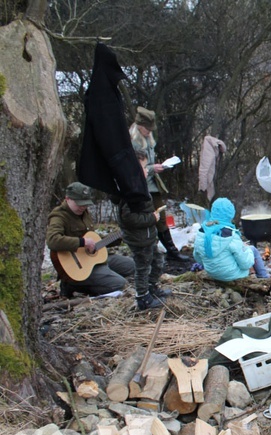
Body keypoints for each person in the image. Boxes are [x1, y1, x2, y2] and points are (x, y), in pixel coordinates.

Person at [46, 182, 135, 298]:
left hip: (96, 260)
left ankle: (103, 277)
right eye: (79, 204)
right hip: (78, 267)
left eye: (85, 204)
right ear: (67, 199)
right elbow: (52, 240)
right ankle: (73, 285)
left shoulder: (84, 213)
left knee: (132, 266)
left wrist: (118, 238)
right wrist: (82, 242)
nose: (83, 207)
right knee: (119, 284)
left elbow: (94, 241)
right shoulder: (59, 216)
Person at [130, 106, 189, 262]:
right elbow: (133, 169)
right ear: (139, 126)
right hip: (139, 187)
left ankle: (171, 251)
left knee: (161, 217)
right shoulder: (132, 142)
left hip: (152, 185)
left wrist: (157, 167)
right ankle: (146, 253)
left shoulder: (148, 140)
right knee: (147, 219)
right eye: (147, 128)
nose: (149, 131)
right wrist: (152, 169)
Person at [116, 150, 171, 310]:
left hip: (148, 236)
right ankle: (143, 298)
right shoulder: (130, 192)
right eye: (144, 168)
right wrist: (151, 219)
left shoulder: (140, 186)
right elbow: (129, 218)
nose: (147, 171)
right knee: (142, 267)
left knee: (157, 260)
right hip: (139, 238)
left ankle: (152, 288)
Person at [193, 198, 271, 281]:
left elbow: (197, 257)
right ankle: (263, 278)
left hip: (212, 273)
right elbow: (245, 264)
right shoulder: (231, 235)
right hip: (232, 275)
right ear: (230, 214)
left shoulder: (202, 231)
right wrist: (245, 249)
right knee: (253, 249)